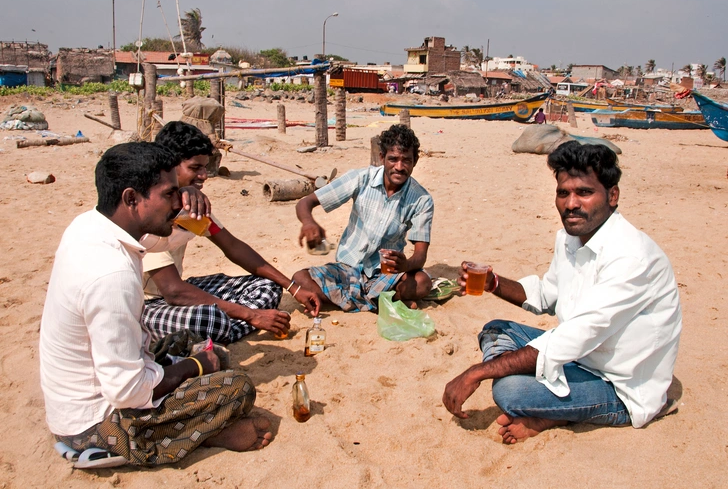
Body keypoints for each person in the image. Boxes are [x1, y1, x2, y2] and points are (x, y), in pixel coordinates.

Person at [40, 142, 273, 467]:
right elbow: (127, 392)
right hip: (92, 421)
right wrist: (196, 367)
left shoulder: (92, 226)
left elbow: (183, 238)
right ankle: (178, 437)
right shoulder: (111, 273)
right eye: (169, 195)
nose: (178, 202)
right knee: (236, 386)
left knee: (192, 343)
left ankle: (197, 425)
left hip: (99, 386)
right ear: (132, 199)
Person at [442, 141, 681, 444]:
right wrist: (494, 284)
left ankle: (554, 412)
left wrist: (477, 372)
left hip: (619, 384)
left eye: (584, 192)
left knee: (509, 390)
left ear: (613, 195)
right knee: (495, 331)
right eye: (563, 193)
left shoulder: (631, 257)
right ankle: (545, 396)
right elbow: (546, 295)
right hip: (577, 357)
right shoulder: (570, 238)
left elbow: (574, 336)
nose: (570, 204)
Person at [141, 121, 320, 344]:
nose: (204, 176)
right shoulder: (149, 209)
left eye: (205, 168)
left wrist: (292, 287)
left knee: (268, 287)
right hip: (147, 304)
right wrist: (252, 315)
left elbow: (233, 247)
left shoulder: (191, 208)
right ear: (168, 166)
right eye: (195, 168)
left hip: (180, 292)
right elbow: (173, 291)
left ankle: (219, 330)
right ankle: (222, 328)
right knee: (206, 320)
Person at [292, 124, 434, 312]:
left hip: (386, 273)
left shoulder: (422, 199)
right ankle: (379, 302)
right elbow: (305, 203)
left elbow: (420, 256)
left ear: (415, 161)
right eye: (393, 159)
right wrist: (308, 222)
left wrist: (406, 264)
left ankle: (353, 301)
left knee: (422, 283)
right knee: (300, 279)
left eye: (406, 160)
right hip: (347, 267)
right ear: (382, 158)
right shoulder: (360, 178)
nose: (399, 167)